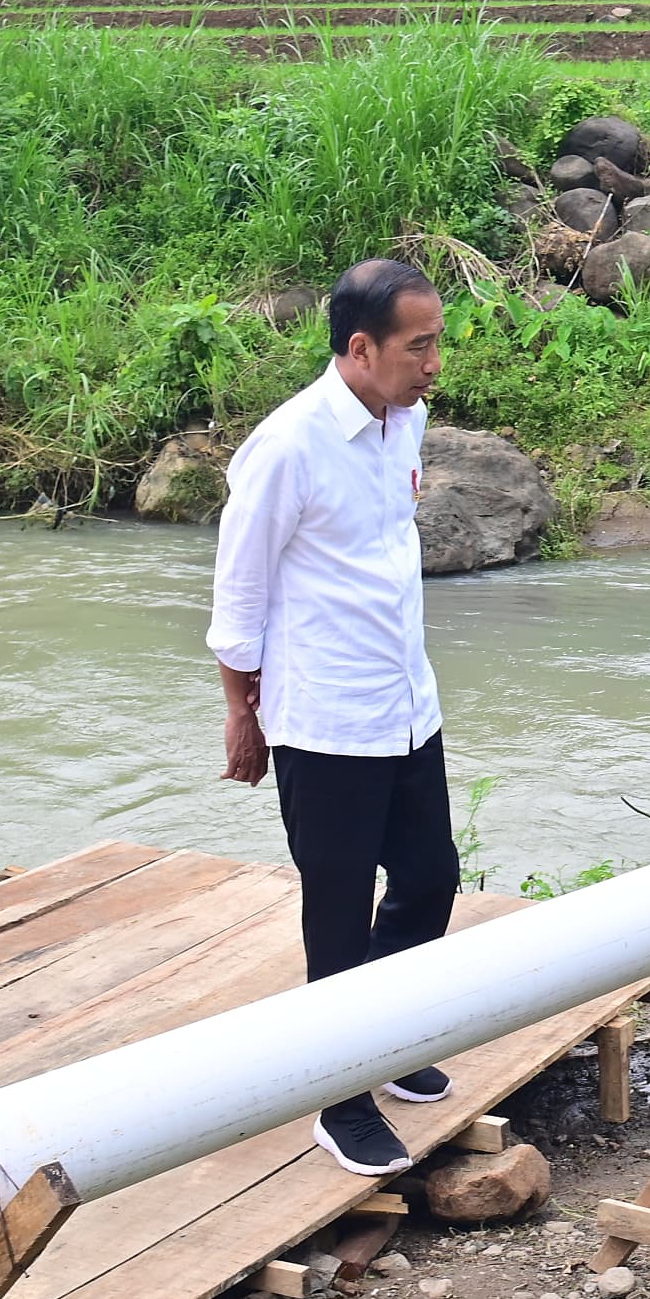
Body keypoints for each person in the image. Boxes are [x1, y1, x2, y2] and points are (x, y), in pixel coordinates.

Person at [207, 258, 458, 1179]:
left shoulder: (406, 420)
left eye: (437, 342)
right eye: (418, 346)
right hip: (323, 718)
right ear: (360, 349)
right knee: (339, 908)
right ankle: (337, 1094)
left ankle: (380, 1041)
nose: (435, 364)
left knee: (432, 877)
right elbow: (240, 593)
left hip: (404, 701)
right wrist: (243, 714)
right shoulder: (288, 446)